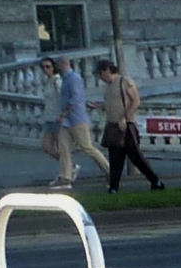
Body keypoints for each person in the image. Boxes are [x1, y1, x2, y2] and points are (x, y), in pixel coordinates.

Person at [95, 58, 163, 193]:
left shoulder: (124, 81)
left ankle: (155, 181)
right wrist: (99, 106)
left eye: (100, 74)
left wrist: (125, 118)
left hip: (127, 126)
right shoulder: (107, 87)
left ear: (107, 70)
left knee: (135, 157)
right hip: (113, 126)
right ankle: (114, 187)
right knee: (115, 159)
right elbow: (110, 105)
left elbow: (136, 101)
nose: (100, 77)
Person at [52, 53, 111, 187]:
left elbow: (75, 98)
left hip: (76, 119)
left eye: (58, 64)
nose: (57, 67)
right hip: (67, 120)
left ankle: (110, 171)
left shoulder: (74, 78)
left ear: (63, 64)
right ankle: (65, 177)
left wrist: (63, 114)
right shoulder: (66, 79)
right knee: (63, 149)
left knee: (87, 147)